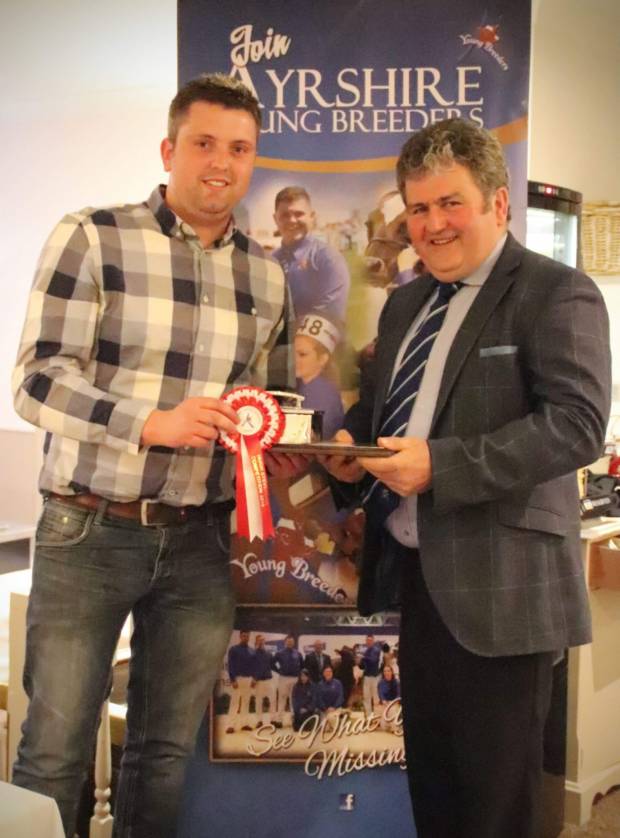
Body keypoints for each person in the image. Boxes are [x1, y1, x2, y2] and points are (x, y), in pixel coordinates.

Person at [11, 73, 295, 838]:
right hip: (88, 530)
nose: (220, 163)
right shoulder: (93, 235)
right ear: (169, 149)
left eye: (239, 149)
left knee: (165, 754)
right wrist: (148, 423)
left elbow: (270, 408)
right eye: (203, 143)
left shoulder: (267, 277)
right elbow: (36, 381)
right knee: (54, 752)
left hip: (201, 541)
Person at [324, 118, 611, 838]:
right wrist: (347, 452)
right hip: (417, 585)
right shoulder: (404, 305)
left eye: (451, 203)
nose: (433, 224)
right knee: (438, 797)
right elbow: (387, 412)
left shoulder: (556, 291)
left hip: (505, 596)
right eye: (418, 209)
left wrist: (440, 466)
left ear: (498, 203)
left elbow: (576, 425)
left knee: (495, 810)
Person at [272, 185, 350, 322]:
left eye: (299, 214)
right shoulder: (269, 261)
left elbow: (330, 316)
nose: (292, 220)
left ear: (312, 217)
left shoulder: (328, 258)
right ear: (275, 219)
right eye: (285, 215)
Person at [294, 313, 344, 440]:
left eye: (302, 354)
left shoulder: (322, 394)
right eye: (293, 353)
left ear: (322, 359)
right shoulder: (302, 386)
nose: (294, 360)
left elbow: (310, 439)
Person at [226, 630, 256, 733]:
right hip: (237, 679)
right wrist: (233, 679)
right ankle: (231, 725)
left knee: (246, 702)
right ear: (240, 636)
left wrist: (254, 678)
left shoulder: (252, 650)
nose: (245, 638)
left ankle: (244, 724)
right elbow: (230, 665)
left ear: (249, 637)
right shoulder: (233, 649)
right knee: (234, 703)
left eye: (247, 636)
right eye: (243, 636)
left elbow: (254, 666)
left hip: (248, 679)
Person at [272, 634, 304, 727]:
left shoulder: (298, 653)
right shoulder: (280, 653)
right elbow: (272, 663)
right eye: (288, 642)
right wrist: (279, 671)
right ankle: (279, 720)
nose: (290, 643)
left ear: (294, 643)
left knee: (293, 700)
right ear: (285, 642)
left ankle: (294, 720)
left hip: (295, 678)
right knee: (282, 699)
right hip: (283, 678)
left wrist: (299, 674)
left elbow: (302, 666)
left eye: (292, 642)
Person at [253, 633, 276, 727]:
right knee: (258, 701)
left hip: (269, 680)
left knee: (273, 700)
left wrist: (281, 671)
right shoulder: (253, 654)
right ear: (256, 642)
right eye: (259, 640)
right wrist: (254, 678)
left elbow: (272, 666)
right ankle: (259, 721)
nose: (261, 641)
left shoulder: (269, 653)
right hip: (258, 681)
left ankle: (273, 720)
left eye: (263, 640)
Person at [359, 633, 381, 717]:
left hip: (375, 677)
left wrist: (363, 657)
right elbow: (362, 666)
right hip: (367, 676)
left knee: (376, 698)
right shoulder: (366, 651)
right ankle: (369, 717)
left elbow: (373, 660)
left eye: (370, 640)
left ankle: (377, 716)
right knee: (366, 697)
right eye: (367, 640)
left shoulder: (376, 650)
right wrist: (359, 662)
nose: (368, 642)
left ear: (373, 641)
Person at [316, 665, 344, 729]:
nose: (328, 673)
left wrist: (334, 707)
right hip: (324, 710)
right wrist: (325, 708)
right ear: (323, 673)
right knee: (324, 728)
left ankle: (337, 723)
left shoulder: (338, 683)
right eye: (326, 671)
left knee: (331, 718)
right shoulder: (320, 684)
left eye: (330, 671)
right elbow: (319, 699)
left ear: (332, 673)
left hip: (335, 709)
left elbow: (341, 697)